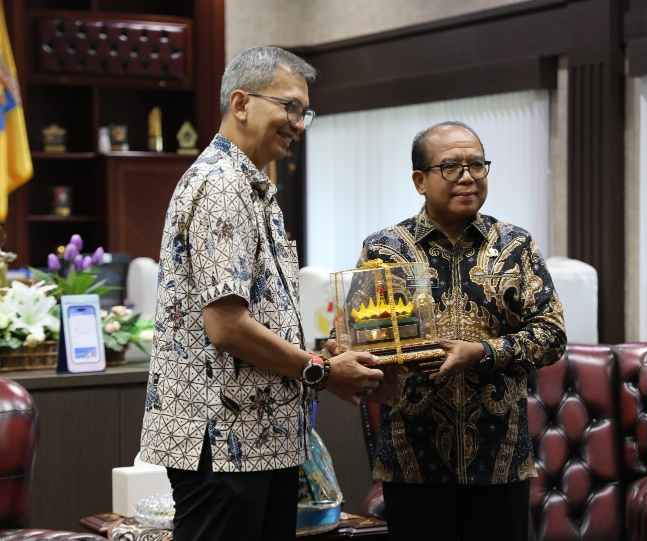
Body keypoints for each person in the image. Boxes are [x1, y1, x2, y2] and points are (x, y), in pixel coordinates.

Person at [139, 46, 383, 541]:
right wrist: (320, 370)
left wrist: (317, 354)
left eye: (305, 112)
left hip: (258, 440)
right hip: (225, 441)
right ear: (242, 102)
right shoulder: (221, 184)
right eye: (289, 107)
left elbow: (257, 314)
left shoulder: (252, 186)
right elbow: (226, 327)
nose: (299, 123)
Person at [343, 121, 567, 541]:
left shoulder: (515, 245)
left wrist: (482, 351)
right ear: (419, 180)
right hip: (413, 464)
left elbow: (552, 335)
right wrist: (357, 358)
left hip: (500, 462)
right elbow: (360, 343)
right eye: (451, 167)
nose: (468, 177)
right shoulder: (386, 250)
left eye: (477, 165)